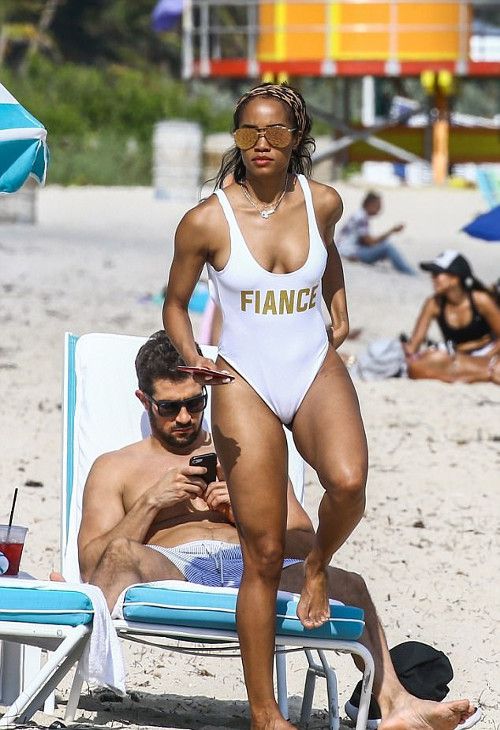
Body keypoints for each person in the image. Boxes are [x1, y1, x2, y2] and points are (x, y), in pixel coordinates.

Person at [161, 83, 464, 729]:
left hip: (311, 364)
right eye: (248, 132)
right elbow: (175, 303)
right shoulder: (206, 220)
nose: (261, 144)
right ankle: (266, 714)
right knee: (265, 552)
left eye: (274, 132)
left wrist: (340, 304)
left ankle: (320, 563)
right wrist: (192, 355)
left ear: (297, 138)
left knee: (349, 484)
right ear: (236, 138)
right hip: (242, 378)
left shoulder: (323, 201)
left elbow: (328, 259)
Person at [77, 332, 476, 730]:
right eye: (169, 407)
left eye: (195, 403)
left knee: (352, 585)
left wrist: (246, 514)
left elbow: (305, 541)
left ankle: (396, 703)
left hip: (254, 565)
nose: (184, 417)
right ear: (143, 400)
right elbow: (94, 565)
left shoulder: (246, 452)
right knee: (120, 554)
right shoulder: (115, 468)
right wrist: (151, 502)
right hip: (173, 565)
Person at [404, 250, 500, 384]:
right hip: (457, 357)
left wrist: (486, 357)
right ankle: (482, 374)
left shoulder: (480, 300)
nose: (432, 278)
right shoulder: (433, 304)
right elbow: (414, 344)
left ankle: (473, 374)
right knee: (416, 367)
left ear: (455, 278)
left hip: (488, 354)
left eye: (437, 274)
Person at [336, 191, 416, 275]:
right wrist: (391, 231)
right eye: (378, 206)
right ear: (370, 204)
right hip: (349, 252)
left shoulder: (360, 214)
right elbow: (370, 242)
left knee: (384, 246)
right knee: (388, 247)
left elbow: (364, 241)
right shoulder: (361, 217)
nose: (380, 209)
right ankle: (409, 272)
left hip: (347, 249)